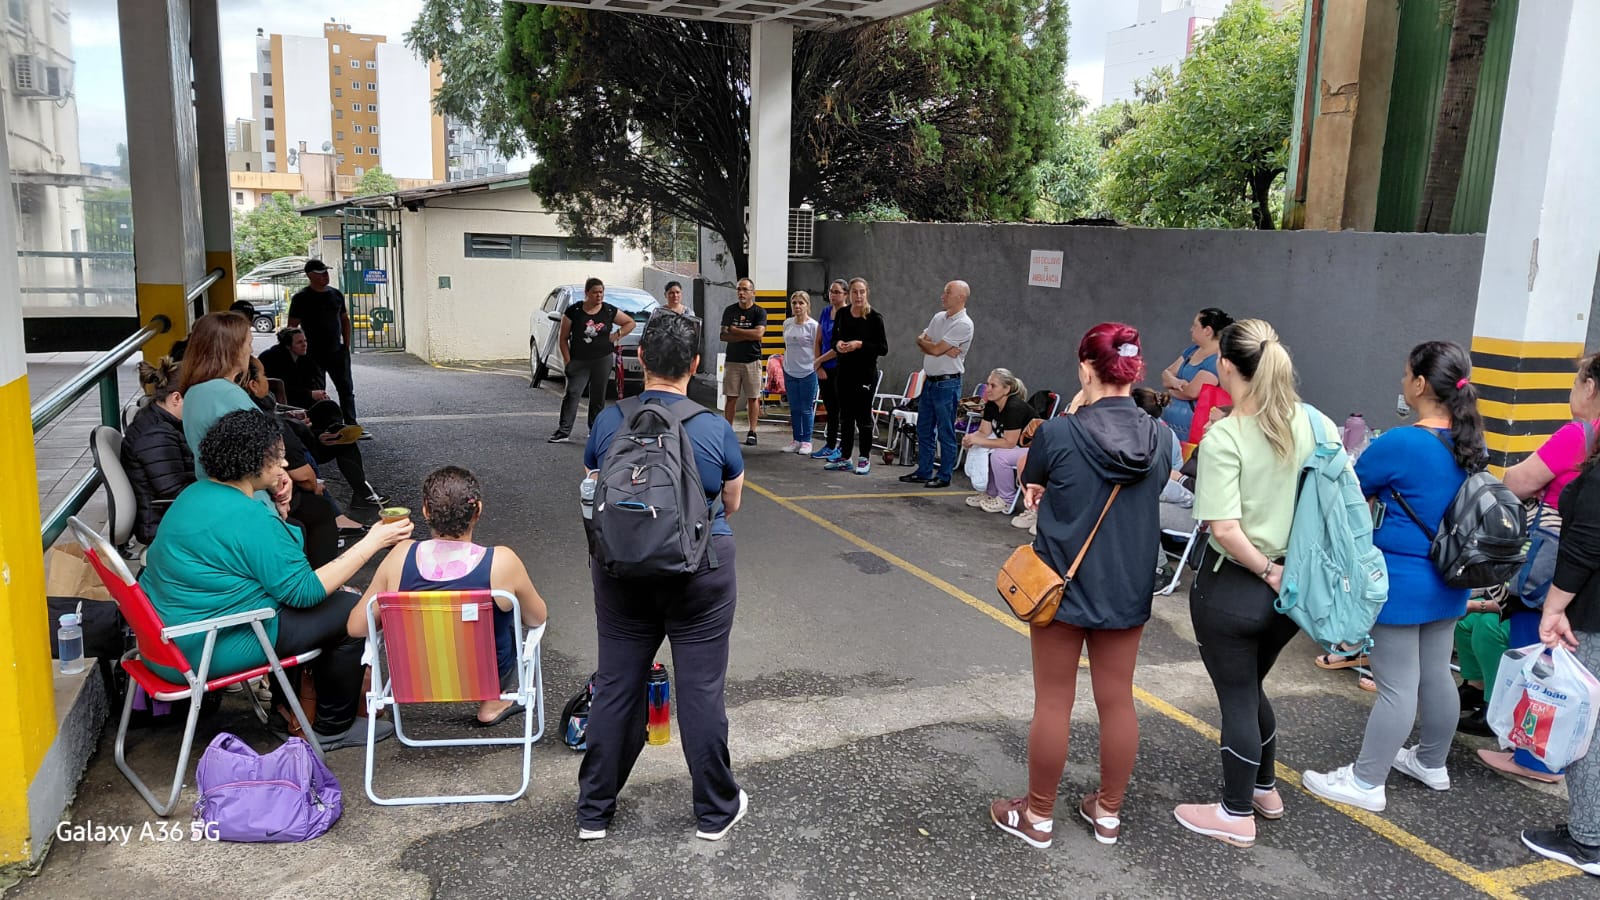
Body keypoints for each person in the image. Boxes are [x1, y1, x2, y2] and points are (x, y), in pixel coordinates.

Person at [989, 323, 1172, 849]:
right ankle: (1108, 813)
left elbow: (1034, 486)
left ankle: (1038, 817)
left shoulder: (1057, 431)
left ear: (1085, 368)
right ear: (1133, 372)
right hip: (1128, 587)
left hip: (1061, 586)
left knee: (1053, 702)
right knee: (1117, 701)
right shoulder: (1160, 437)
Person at [139, 410, 412, 750]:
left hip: (165, 642)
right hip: (204, 649)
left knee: (327, 606)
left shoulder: (196, 494)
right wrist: (373, 542)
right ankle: (332, 727)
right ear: (253, 462)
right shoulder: (250, 515)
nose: (284, 466)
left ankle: (288, 713)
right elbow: (303, 591)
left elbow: (273, 561)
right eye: (278, 459)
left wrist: (279, 510)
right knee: (353, 611)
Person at [577, 312, 748, 842]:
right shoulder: (713, 426)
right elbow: (733, 501)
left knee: (616, 686)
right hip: (700, 570)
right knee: (700, 691)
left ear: (641, 359)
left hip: (622, 572)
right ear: (695, 365)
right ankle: (716, 811)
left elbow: (591, 491)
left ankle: (594, 812)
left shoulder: (609, 422)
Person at [1174, 319, 1340, 849]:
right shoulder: (1316, 423)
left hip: (1239, 586)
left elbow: (1223, 529)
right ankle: (1264, 787)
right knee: (1250, 686)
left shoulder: (1226, 435)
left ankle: (1236, 810)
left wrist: (1267, 570)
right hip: (1295, 590)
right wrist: (1285, 575)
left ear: (1225, 364)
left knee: (1239, 696)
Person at [1302, 341, 1486, 811]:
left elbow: (1350, 488)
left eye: (1406, 374)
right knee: (1437, 676)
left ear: (1421, 384)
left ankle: (1366, 782)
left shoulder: (1402, 441)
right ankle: (1431, 762)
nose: (1402, 383)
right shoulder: (1470, 442)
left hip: (1402, 580)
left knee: (1396, 684)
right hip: (1451, 577)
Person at [1476, 351, 1600, 782]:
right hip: (1590, 576)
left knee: (1540, 653)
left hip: (1556, 560)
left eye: (1575, 382)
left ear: (1590, 387)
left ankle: (1534, 757)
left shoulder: (1580, 433)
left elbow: (1517, 481)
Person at [348, 466, 549, 727]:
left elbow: (356, 627)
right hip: (483, 676)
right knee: (507, 622)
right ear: (477, 510)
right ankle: (492, 702)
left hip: (416, 676)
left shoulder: (400, 557)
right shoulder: (501, 562)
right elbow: (536, 618)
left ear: (425, 511)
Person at [1520, 404, 1600, 876]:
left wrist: (1553, 608)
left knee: (1586, 726)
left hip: (1592, 614)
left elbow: (1586, 545)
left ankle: (1588, 838)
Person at [244, 354, 387, 509]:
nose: (267, 379)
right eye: (263, 376)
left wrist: (290, 414)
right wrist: (307, 429)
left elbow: (277, 409)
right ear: (253, 384)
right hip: (296, 439)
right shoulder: (258, 411)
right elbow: (282, 430)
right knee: (345, 445)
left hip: (297, 428)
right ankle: (362, 493)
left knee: (328, 407)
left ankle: (332, 431)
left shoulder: (262, 396)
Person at [900, 280, 975, 490]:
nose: (943, 296)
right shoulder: (938, 317)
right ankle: (923, 470)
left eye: (947, 292)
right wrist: (934, 345)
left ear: (961, 297)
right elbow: (923, 343)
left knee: (945, 430)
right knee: (924, 428)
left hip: (947, 383)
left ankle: (944, 475)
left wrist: (934, 346)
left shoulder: (964, 324)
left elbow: (932, 349)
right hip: (931, 381)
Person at [178, 311, 267, 484]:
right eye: (248, 343)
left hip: (214, 491)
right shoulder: (226, 394)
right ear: (233, 349)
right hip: (245, 494)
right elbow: (259, 453)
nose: (251, 350)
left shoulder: (195, 391)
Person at [550, 277, 636, 444]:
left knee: (598, 396)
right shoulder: (574, 311)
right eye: (595, 292)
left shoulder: (609, 311)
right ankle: (564, 430)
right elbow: (563, 338)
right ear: (587, 293)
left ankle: (594, 430)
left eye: (601, 292)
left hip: (602, 359)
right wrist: (568, 362)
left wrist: (616, 335)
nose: (599, 296)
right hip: (579, 360)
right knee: (573, 393)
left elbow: (629, 322)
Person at [121, 357, 194, 546]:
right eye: (197, 400)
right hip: (162, 523)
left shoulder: (160, 420)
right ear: (176, 398)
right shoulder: (155, 433)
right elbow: (174, 490)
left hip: (169, 515)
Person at [821, 277, 888, 476]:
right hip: (844, 372)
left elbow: (883, 348)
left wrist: (859, 344)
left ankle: (864, 457)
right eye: (854, 292)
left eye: (862, 292)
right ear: (849, 294)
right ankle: (845, 456)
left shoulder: (875, 318)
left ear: (867, 293)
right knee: (846, 417)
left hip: (865, 373)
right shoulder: (842, 313)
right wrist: (839, 344)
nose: (858, 296)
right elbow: (833, 339)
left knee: (863, 417)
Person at [287, 258, 360, 426]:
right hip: (312, 354)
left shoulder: (336, 295)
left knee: (346, 389)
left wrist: (346, 345)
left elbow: (344, 319)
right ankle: (321, 425)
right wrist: (296, 350)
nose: (325, 276)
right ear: (310, 276)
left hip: (336, 351)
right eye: (321, 274)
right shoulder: (301, 298)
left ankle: (351, 424)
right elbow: (292, 326)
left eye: (326, 272)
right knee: (317, 392)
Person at [962, 368, 1035, 513]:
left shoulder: (1014, 407)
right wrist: (970, 438)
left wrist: (980, 441)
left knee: (999, 455)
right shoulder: (991, 405)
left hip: (1034, 448)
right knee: (985, 447)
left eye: (993, 386)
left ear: (1007, 389)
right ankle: (990, 493)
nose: (988, 389)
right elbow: (984, 431)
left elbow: (1009, 443)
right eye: (987, 384)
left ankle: (1006, 499)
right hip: (1016, 447)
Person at [1160, 307, 1233, 441]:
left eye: (1195, 325)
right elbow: (1166, 374)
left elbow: (1192, 392)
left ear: (1207, 330)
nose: (1191, 329)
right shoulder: (1192, 350)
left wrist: (1171, 390)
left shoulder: (1216, 360)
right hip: (1171, 423)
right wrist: (1177, 383)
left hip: (1192, 426)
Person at [720, 277, 768, 446]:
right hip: (732, 361)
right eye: (739, 289)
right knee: (731, 397)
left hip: (752, 361)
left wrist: (736, 331)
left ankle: (752, 431)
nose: (741, 292)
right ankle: (728, 430)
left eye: (745, 290)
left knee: (753, 397)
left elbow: (758, 335)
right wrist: (747, 334)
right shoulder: (729, 311)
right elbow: (724, 335)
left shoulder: (759, 312)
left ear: (752, 293)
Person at [810, 280, 850, 461]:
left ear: (845, 294)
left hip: (840, 367)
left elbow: (839, 347)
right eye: (831, 292)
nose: (833, 295)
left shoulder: (848, 315)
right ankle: (830, 444)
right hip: (824, 368)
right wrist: (818, 366)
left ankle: (843, 447)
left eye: (837, 292)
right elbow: (818, 340)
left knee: (842, 409)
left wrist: (819, 360)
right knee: (831, 410)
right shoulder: (826, 312)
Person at [781, 291, 819, 455]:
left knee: (806, 408)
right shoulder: (787, 323)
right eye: (794, 302)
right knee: (794, 408)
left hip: (808, 371)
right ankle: (796, 439)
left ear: (807, 305)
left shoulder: (813, 326)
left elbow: (817, 349)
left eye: (801, 303)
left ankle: (806, 440)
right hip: (790, 371)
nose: (797, 306)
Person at [259, 326, 329, 410]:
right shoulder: (273, 359)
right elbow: (284, 388)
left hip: (299, 397)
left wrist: (320, 394)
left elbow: (312, 381)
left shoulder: (304, 357)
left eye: (305, 341)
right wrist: (310, 394)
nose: (304, 345)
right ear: (288, 346)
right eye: (299, 342)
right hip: (276, 400)